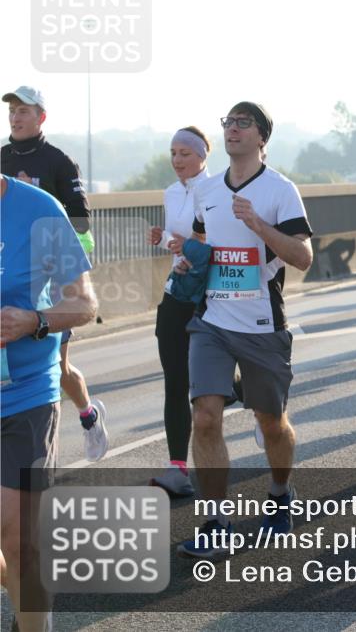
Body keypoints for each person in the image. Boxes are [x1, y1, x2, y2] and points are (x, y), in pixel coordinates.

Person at [178, 102, 314, 557]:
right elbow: (202, 242)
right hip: (212, 321)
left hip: (262, 326)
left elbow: (303, 257)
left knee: (271, 423)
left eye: (243, 123)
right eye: (228, 123)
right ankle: (217, 521)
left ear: (261, 138)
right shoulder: (208, 189)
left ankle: (279, 492)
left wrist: (257, 224)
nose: (233, 130)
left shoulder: (280, 191)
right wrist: (189, 259)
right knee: (205, 415)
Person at [1, 174, 98, 632]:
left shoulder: (40, 210)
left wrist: (35, 320)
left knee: (20, 538)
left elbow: (83, 304)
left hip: (23, 396)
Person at [2, 85, 109, 461]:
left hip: (46, 288)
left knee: (59, 367)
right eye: (12, 110)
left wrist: (64, 258)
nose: (16, 116)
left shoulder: (58, 161)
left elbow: (79, 220)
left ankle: (87, 415)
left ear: (41, 117)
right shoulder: (2, 157)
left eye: (24, 110)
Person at [146, 127, 229, 496]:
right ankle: (178, 469)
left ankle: (256, 397)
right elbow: (179, 243)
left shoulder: (218, 190)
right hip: (178, 290)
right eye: (173, 152)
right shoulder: (170, 192)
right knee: (175, 380)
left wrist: (189, 252)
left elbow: (216, 243)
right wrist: (164, 240)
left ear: (203, 156)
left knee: (209, 383)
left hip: (211, 295)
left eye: (185, 153)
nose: (177, 160)